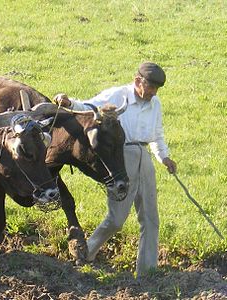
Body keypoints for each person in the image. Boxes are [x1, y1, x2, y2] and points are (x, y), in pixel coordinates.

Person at [54, 62, 177, 277]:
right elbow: (88, 107)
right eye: (151, 87)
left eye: (157, 89)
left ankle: (147, 271)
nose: (153, 92)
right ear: (138, 81)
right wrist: (68, 102)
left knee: (150, 218)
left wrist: (164, 157)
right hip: (122, 157)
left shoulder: (154, 104)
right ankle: (87, 252)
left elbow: (157, 134)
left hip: (144, 158)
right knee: (117, 219)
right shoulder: (118, 94)